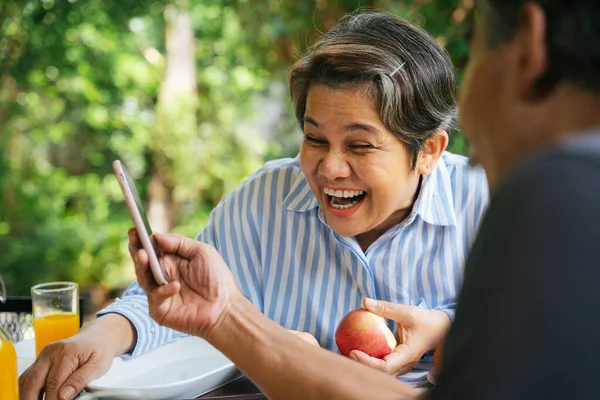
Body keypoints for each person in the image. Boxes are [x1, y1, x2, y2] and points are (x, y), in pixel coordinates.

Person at [129, 0, 600, 399]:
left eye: (474, 55)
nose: (331, 167)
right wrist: (224, 316)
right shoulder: (567, 193)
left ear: (528, 48)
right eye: (315, 139)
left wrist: (229, 319)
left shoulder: (552, 196)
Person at [19, 12, 490, 400]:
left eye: (361, 146)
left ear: (428, 150)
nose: (330, 169)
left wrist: (451, 329)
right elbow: (176, 298)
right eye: (314, 138)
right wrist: (96, 338)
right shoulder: (267, 200)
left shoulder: (486, 205)